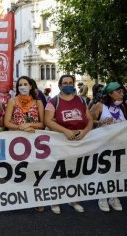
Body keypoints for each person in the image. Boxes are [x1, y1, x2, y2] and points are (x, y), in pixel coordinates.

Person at [44, 74, 93, 214]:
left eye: (70, 82)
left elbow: (89, 119)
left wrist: (85, 131)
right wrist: (65, 131)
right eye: (65, 82)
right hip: (60, 142)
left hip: (79, 142)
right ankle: (55, 201)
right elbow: (48, 121)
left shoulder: (81, 101)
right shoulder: (53, 102)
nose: (68, 85)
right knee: (59, 172)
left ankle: (74, 200)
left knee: (76, 172)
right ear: (59, 85)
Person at [90, 82, 127, 212]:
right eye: (119, 91)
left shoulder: (122, 106)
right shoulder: (99, 106)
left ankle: (114, 197)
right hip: (103, 145)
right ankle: (102, 197)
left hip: (119, 145)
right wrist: (99, 122)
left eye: (122, 92)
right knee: (104, 171)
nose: (122, 94)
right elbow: (88, 121)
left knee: (117, 171)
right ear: (110, 94)